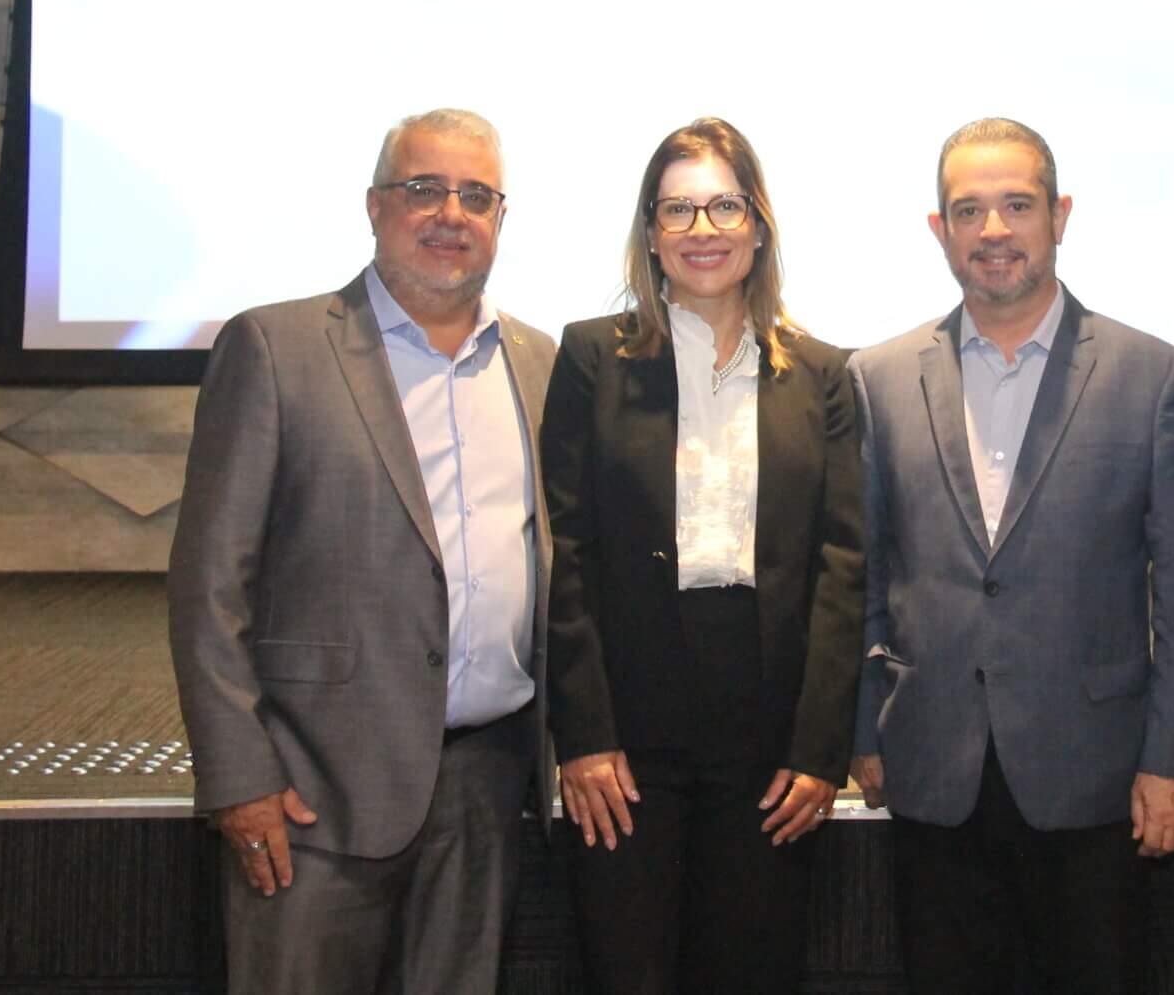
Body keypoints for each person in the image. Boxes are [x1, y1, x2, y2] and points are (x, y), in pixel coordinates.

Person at [167, 108, 557, 995]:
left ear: (501, 219)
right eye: (424, 189)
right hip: (314, 795)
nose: (451, 213)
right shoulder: (276, 348)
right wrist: (239, 776)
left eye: (476, 196)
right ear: (376, 205)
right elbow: (209, 587)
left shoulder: (536, 362)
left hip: (486, 789)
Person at [850, 117, 1174, 995]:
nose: (994, 230)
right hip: (931, 771)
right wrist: (864, 727)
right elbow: (865, 574)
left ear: (1060, 215)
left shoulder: (1154, 376)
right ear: (939, 230)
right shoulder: (878, 378)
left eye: (1017, 205)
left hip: (1095, 778)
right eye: (969, 210)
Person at [542, 117, 865, 995]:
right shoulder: (592, 357)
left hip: (767, 746)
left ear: (758, 224)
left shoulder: (824, 375)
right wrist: (584, 735)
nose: (702, 229)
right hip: (627, 742)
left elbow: (842, 570)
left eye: (725, 205)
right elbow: (567, 554)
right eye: (677, 209)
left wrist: (819, 749)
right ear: (650, 233)